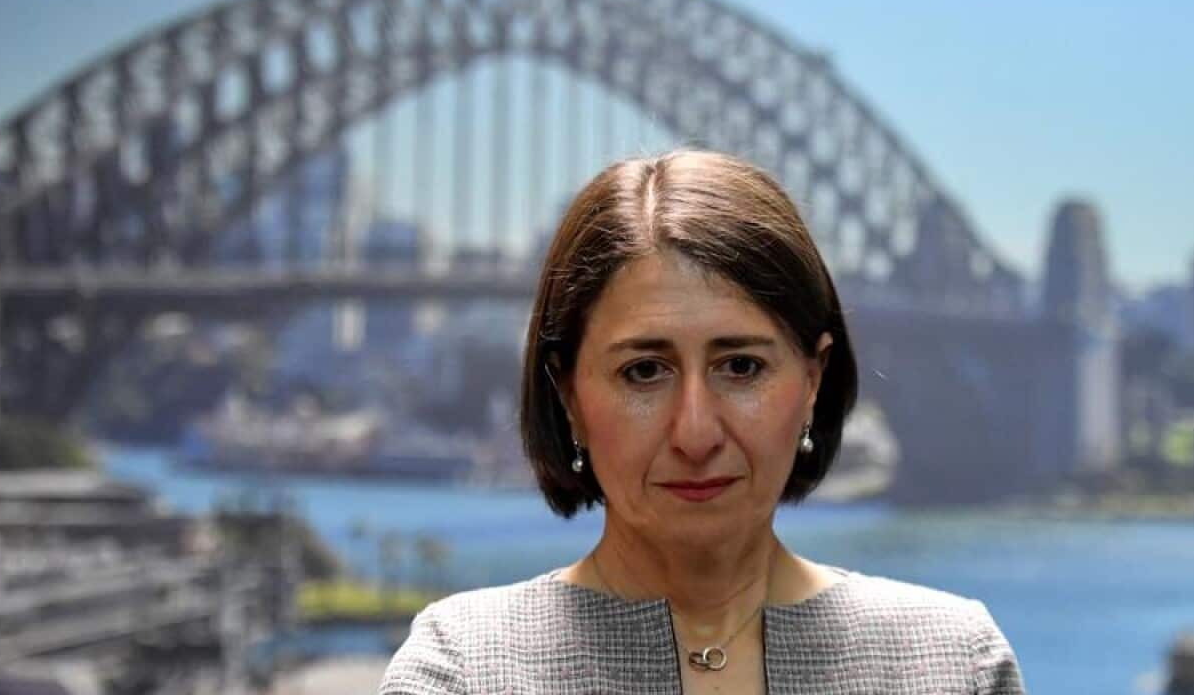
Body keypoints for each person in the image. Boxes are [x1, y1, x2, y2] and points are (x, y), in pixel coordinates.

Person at [379, 150, 1025, 694]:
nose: (695, 433)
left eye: (741, 367)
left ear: (813, 381)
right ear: (568, 394)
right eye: (643, 372)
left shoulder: (953, 666)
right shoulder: (460, 673)